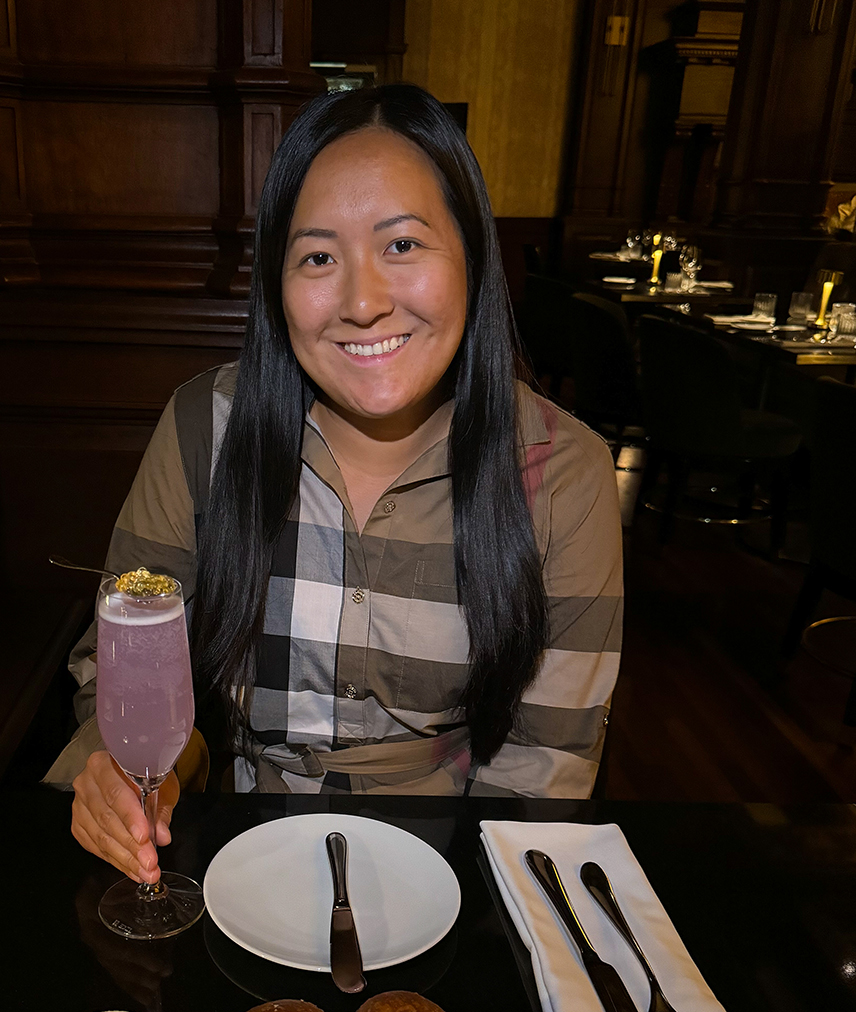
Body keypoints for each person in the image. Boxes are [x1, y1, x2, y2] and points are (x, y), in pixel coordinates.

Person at [46, 83, 622, 887]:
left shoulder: (566, 473)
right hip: (230, 862)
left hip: (451, 874)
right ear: (276, 285)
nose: (362, 302)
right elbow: (126, 666)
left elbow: (542, 767)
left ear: (474, 255)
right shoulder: (202, 428)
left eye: (403, 245)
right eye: (318, 256)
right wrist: (129, 772)